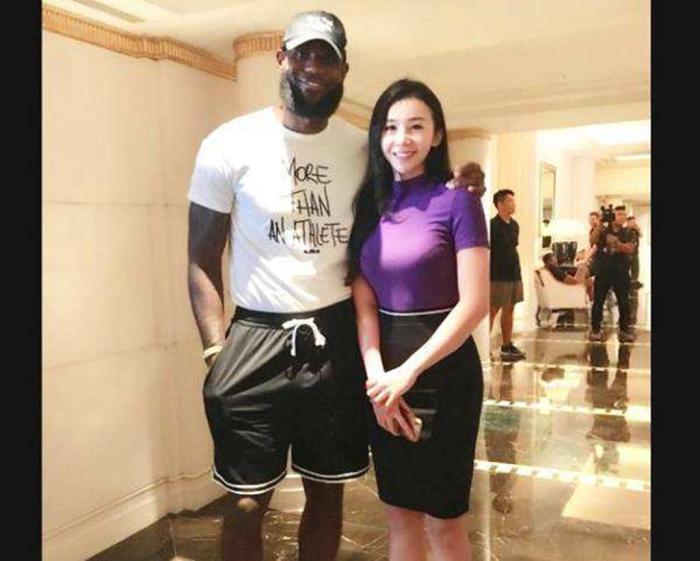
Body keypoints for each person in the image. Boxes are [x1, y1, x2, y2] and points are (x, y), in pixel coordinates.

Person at [186, 12, 486, 561]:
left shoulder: (360, 148)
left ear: (344, 68)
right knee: (246, 502)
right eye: (302, 53)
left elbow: (408, 191)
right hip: (255, 334)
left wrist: (461, 183)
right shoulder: (229, 144)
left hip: (336, 334)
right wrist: (215, 351)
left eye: (326, 57)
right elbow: (201, 256)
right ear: (281, 58)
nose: (313, 67)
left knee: (328, 489)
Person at [348, 79, 489, 561]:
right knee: (400, 515)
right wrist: (379, 383)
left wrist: (408, 372)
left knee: (444, 523)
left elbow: (474, 304)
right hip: (384, 377)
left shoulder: (459, 201)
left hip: (445, 374)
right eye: (390, 127)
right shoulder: (370, 206)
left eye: (415, 126)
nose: (401, 139)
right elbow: (364, 302)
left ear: (437, 134)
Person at [589, 205, 636, 342]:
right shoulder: (602, 229)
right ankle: (596, 330)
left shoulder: (629, 232)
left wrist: (616, 243)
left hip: (621, 270)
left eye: (624, 214)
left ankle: (624, 330)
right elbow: (592, 241)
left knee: (624, 301)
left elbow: (630, 249)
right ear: (613, 216)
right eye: (619, 214)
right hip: (603, 270)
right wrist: (599, 223)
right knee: (598, 300)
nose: (622, 217)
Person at [490, 190, 526, 360]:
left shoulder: (514, 225)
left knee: (510, 309)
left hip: (514, 273)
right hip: (498, 275)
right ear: (500, 204)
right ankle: (484, 345)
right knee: (493, 309)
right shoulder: (493, 226)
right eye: (510, 201)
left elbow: (513, 246)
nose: (514, 204)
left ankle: (507, 344)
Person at [626, 216, 643, 289]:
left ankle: (634, 282)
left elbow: (641, 235)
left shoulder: (635, 230)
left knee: (635, 268)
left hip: (635, 252)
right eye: (631, 222)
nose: (633, 223)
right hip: (627, 253)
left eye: (634, 222)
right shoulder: (625, 231)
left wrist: (638, 229)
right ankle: (626, 283)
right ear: (628, 222)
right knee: (626, 268)